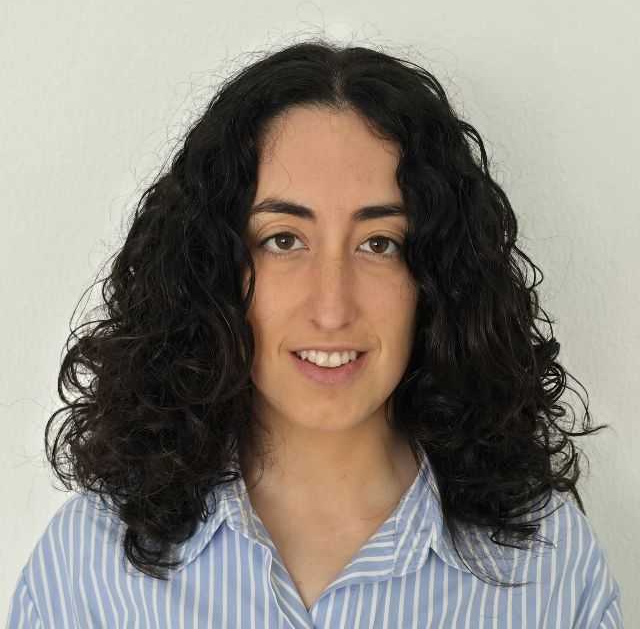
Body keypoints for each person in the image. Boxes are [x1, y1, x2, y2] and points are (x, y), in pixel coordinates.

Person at [6, 40, 623, 628]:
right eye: (283, 240)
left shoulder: (550, 568)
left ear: (437, 278)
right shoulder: (88, 568)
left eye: (379, 244)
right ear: (213, 269)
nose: (332, 310)